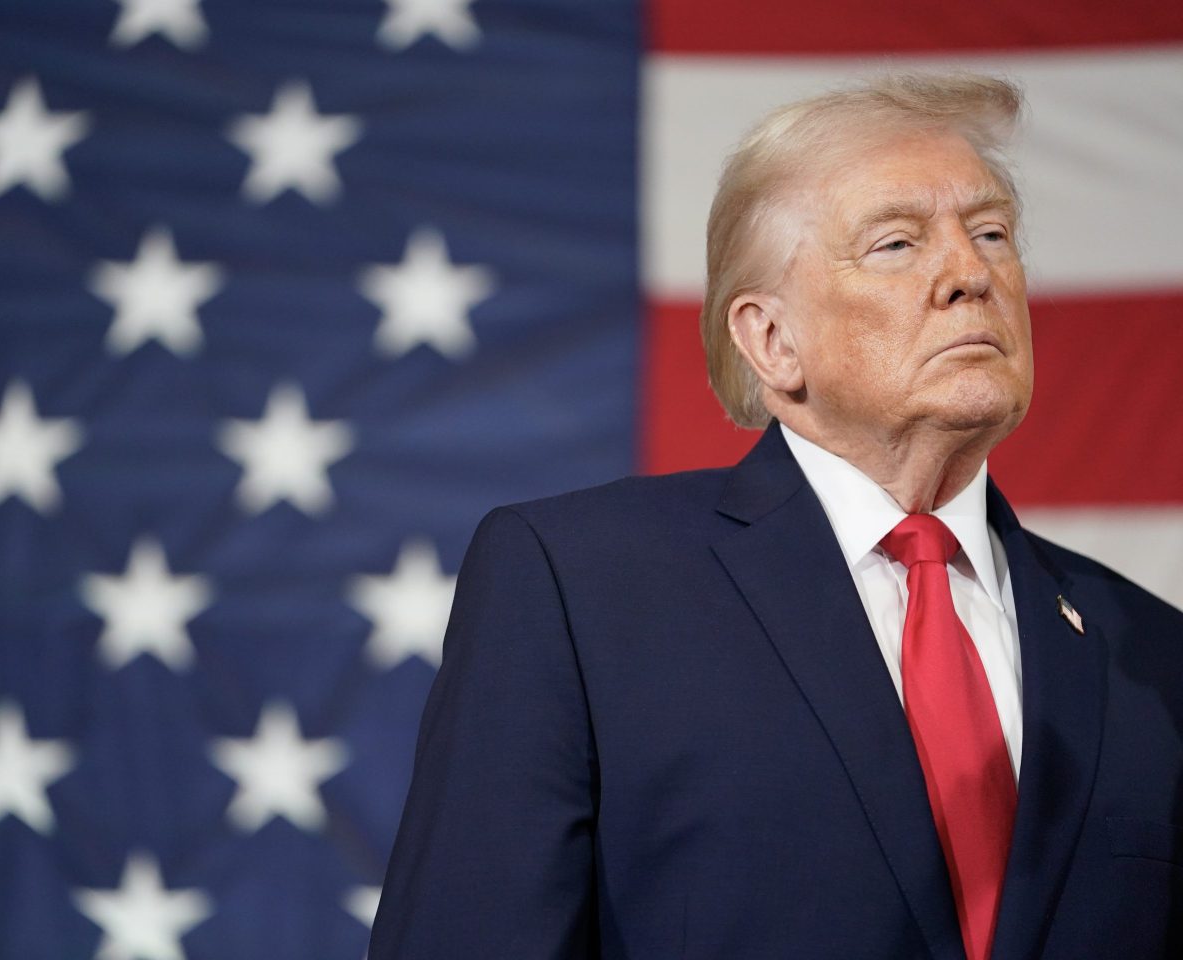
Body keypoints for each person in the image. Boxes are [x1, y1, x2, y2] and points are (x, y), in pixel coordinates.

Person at [368, 74, 1183, 959]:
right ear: (772, 341)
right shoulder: (581, 590)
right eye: (898, 243)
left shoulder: (1151, 653)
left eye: (990, 233)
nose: (971, 273)